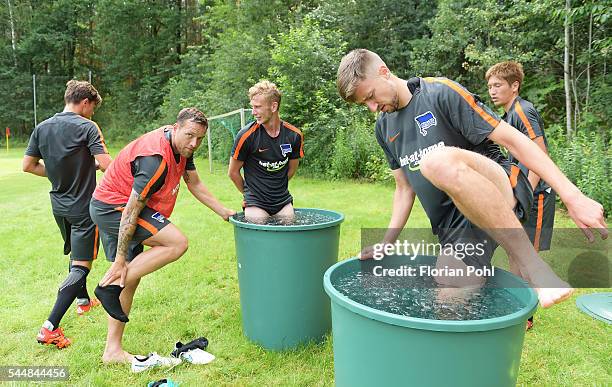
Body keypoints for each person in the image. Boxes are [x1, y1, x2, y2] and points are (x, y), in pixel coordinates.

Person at [336, 49, 607, 308]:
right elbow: (403, 189)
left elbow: (515, 141)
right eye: (364, 104)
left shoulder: (440, 92)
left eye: (371, 96)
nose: (372, 107)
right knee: (448, 296)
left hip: (499, 186)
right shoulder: (384, 128)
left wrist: (572, 196)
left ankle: (535, 266)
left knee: (435, 161)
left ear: (384, 72)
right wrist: (386, 243)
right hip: (456, 225)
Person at [90, 107, 235, 364]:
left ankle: (112, 351)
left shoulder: (182, 148)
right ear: (175, 127)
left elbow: (195, 183)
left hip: (127, 207)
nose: (194, 143)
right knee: (176, 243)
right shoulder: (155, 158)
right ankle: (109, 287)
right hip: (115, 209)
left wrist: (223, 211)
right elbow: (131, 211)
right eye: (190, 135)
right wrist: (121, 258)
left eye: (200, 138)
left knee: (129, 279)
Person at [23, 80, 112, 348]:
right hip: (84, 207)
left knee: (76, 254)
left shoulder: (43, 127)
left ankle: (83, 302)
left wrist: (68, 172)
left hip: (59, 206)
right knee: (82, 266)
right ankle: (50, 326)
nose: (92, 114)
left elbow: (28, 165)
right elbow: (108, 165)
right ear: (85, 103)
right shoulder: (87, 126)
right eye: (92, 108)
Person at [486, 61, 555, 253]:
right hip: (524, 194)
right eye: (490, 87)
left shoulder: (522, 111)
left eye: (498, 85)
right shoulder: (509, 116)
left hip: (537, 194)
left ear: (514, 86)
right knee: (516, 254)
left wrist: (527, 196)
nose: (492, 91)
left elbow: (541, 157)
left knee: (528, 258)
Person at [228, 81, 304, 223]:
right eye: (252, 107)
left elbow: (292, 169)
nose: (253, 112)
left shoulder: (294, 135)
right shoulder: (246, 136)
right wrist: (249, 195)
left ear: (273, 106)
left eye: (257, 107)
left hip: (282, 201)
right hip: (255, 203)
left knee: (289, 230)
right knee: (259, 227)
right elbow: (232, 172)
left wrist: (275, 188)